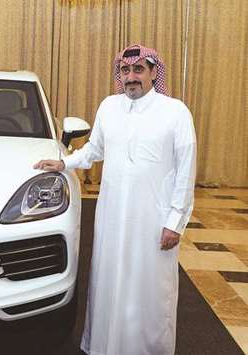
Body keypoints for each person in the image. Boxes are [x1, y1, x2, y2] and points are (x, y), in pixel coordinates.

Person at [34, 44, 196, 354]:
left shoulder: (175, 111)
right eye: (125, 70)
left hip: (153, 218)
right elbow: (95, 150)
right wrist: (64, 163)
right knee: (108, 281)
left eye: (138, 69)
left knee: (150, 289)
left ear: (152, 72)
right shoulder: (109, 106)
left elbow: (186, 171)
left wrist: (176, 221)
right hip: (112, 215)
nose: (131, 76)